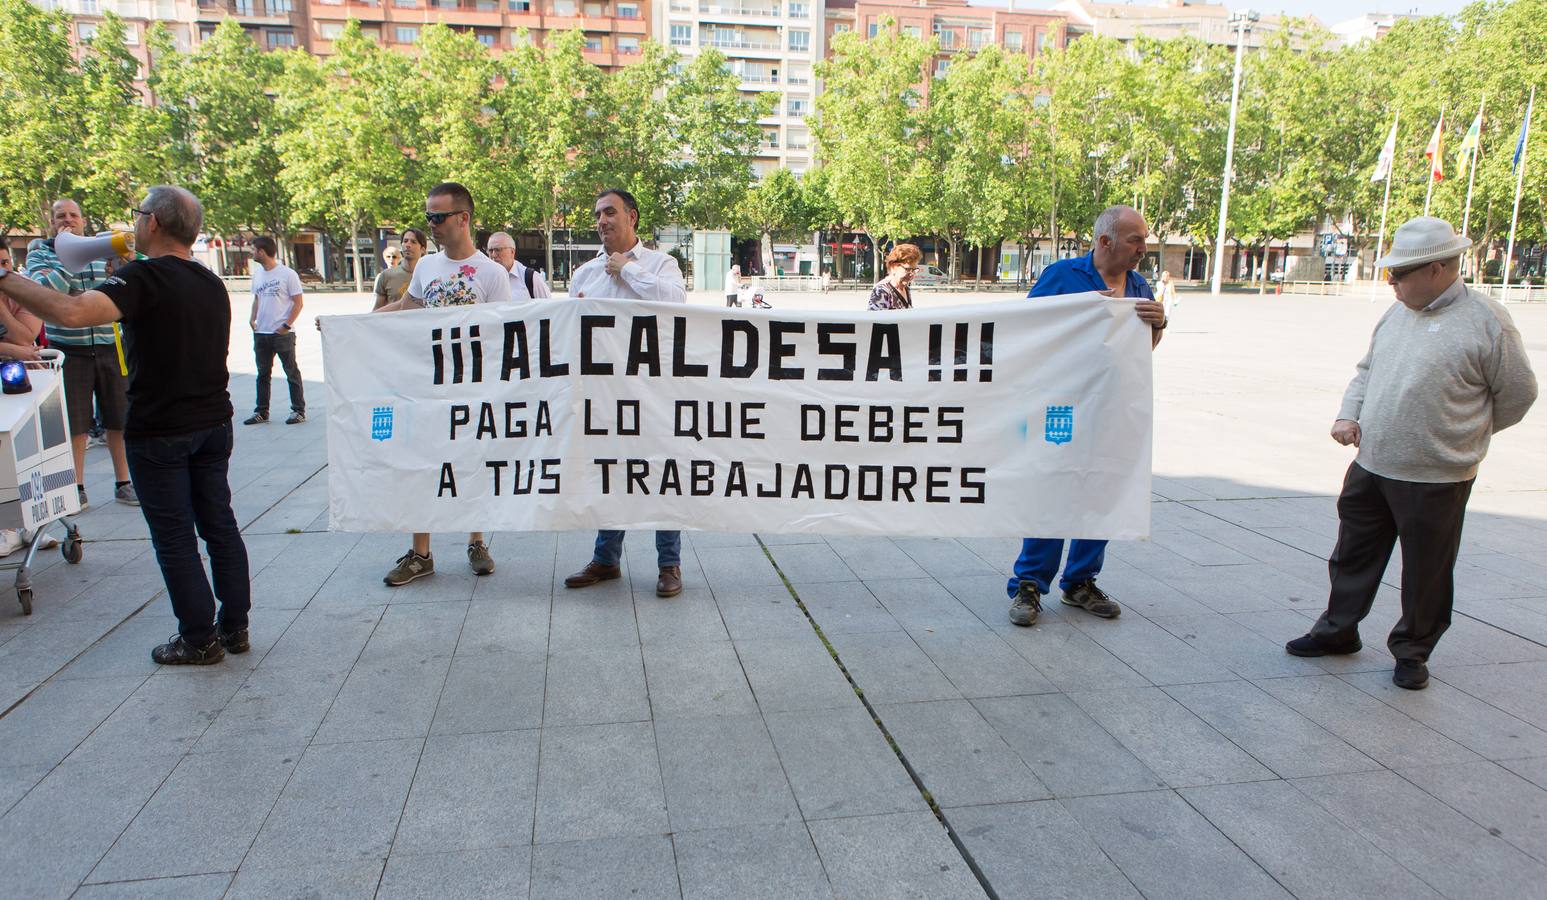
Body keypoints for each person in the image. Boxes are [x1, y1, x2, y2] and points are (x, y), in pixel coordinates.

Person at [0, 186, 250, 665]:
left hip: (160, 430)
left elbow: (70, 311)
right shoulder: (209, 281)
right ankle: (234, 626)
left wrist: (6, 279)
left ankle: (199, 639)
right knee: (219, 525)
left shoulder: (144, 278)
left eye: (138, 216)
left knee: (175, 536)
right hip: (213, 422)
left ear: (153, 222)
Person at [1286, 217, 1536, 690]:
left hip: (1437, 475)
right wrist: (1349, 414)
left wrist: (1463, 438)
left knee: (1426, 571)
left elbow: (1518, 394)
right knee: (1352, 556)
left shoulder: (1487, 320)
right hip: (1372, 463)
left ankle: (1413, 650)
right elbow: (1366, 371)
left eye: (1399, 274)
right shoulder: (1396, 313)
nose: (1392, 283)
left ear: (1438, 269)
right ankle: (1338, 631)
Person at [1005, 205, 1168, 627]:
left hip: (1112, 410)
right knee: (1053, 488)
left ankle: (1080, 581)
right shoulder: (1063, 276)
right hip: (1060, 407)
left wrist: (1158, 325)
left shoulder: (1139, 285)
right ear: (1105, 241)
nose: (1143, 249)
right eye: (1136, 240)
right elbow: (1027, 332)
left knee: (1103, 489)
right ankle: (1028, 584)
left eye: (1144, 241)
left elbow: (1139, 352)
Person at [376, 182, 510, 586]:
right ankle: (420, 553)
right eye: (428, 217)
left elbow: (505, 335)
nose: (431, 225)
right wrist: (354, 325)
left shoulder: (491, 274)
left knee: (472, 465)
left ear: (463, 218)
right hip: (427, 386)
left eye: (438, 217)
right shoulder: (428, 268)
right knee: (422, 465)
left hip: (472, 389)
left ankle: (476, 540)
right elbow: (409, 307)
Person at [564, 188, 689, 598]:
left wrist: (626, 269)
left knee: (662, 474)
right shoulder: (584, 275)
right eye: (597, 214)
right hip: (604, 395)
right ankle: (606, 559)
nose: (601, 221)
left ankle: (669, 565)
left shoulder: (661, 264)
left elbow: (675, 302)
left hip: (654, 393)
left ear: (632, 216)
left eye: (610, 212)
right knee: (610, 472)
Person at [26, 199, 137, 509]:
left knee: (118, 417)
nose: (68, 220)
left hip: (108, 344)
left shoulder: (101, 250)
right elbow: (49, 292)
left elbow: (119, 288)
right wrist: (70, 258)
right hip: (68, 349)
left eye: (74, 215)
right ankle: (76, 486)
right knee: (76, 423)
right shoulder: (40, 254)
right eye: (60, 215)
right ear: (50, 221)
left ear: (83, 220)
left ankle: (124, 482)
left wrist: (125, 259)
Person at [243, 236, 306, 426]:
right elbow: (257, 299)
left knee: (291, 371)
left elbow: (298, 302)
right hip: (262, 332)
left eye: (253, 250)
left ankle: (298, 410)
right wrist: (252, 318)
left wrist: (286, 325)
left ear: (262, 251)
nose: (252, 253)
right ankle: (262, 411)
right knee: (262, 374)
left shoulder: (287, 274)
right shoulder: (258, 275)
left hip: (282, 334)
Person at [486, 231, 551, 301]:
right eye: (490, 250)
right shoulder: (484, 278)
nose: (493, 255)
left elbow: (548, 308)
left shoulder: (531, 278)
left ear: (512, 252)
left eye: (498, 250)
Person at [868, 243, 921, 310]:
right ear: (893, 267)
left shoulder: (905, 288)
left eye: (914, 270)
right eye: (907, 269)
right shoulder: (881, 290)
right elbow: (875, 319)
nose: (911, 274)